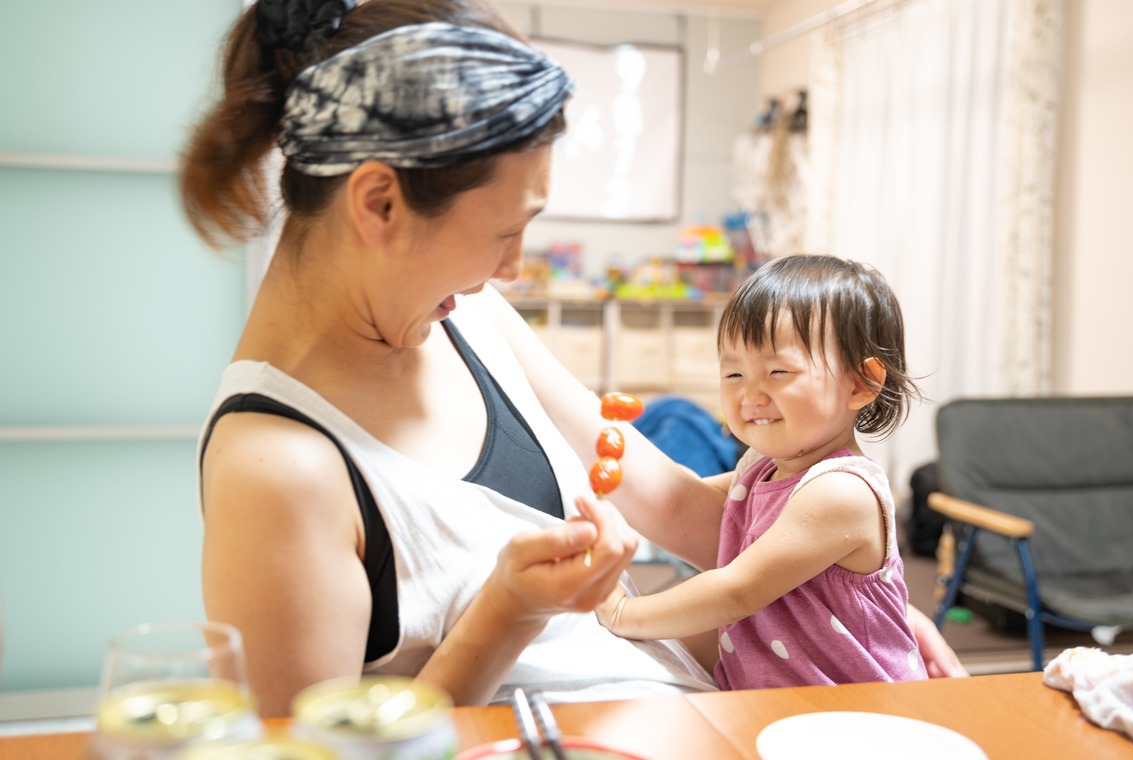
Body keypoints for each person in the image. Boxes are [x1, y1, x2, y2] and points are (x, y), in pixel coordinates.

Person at [181, 0, 965, 718]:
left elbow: (686, 510)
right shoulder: (279, 466)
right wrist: (506, 613)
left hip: (690, 709)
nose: (517, 267)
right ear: (380, 203)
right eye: (504, 233)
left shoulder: (472, 317)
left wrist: (852, 598)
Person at [596, 255, 930, 690]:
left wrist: (623, 612)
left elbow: (736, 591)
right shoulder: (761, 465)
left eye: (778, 372)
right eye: (733, 372)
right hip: (780, 705)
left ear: (860, 384)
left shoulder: (841, 492)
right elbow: (684, 494)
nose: (750, 393)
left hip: (861, 716)